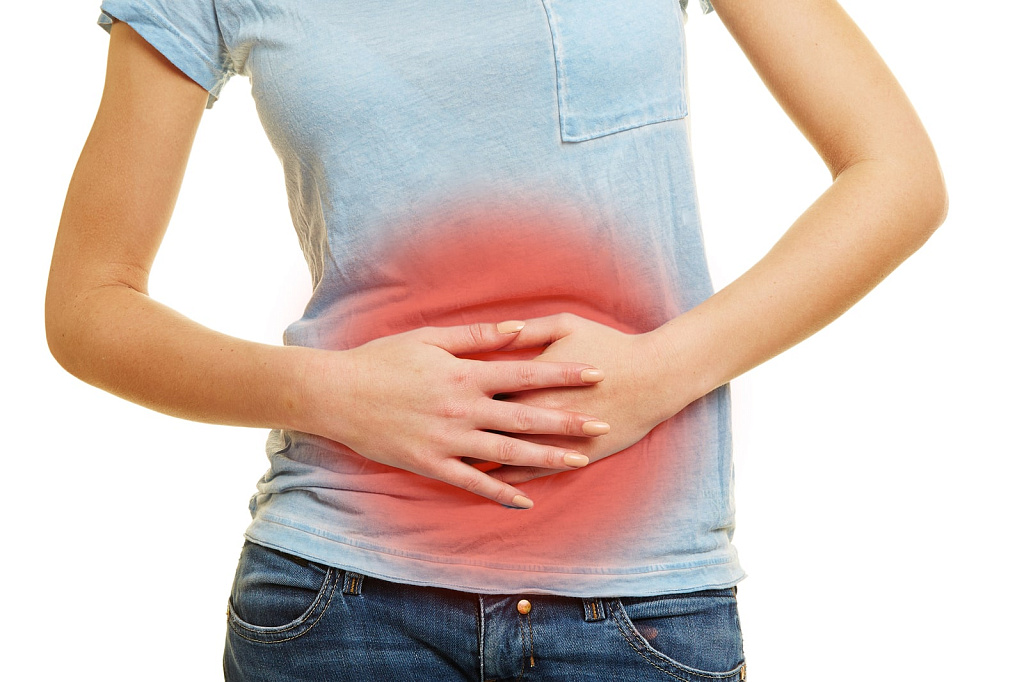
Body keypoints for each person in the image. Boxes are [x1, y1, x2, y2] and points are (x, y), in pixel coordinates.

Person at [46, 0, 946, 679]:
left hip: (644, 604)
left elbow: (896, 175)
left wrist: (660, 372)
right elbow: (90, 305)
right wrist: (334, 392)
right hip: (342, 598)